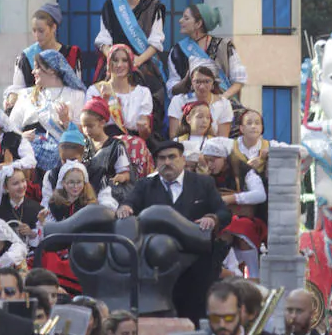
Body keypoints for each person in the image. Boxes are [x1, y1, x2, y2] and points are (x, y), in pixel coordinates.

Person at [116, 141, 231, 323]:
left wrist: (213, 218)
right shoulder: (145, 185)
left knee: (195, 315)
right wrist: (125, 208)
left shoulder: (203, 183)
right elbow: (129, 203)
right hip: (157, 265)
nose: (167, 162)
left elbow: (224, 212)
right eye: (162, 158)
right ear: (155, 163)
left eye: (172, 157)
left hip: (197, 264)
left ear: (183, 160)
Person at [95, 0, 167, 134]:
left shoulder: (154, 7)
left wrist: (137, 61)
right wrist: (112, 58)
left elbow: (156, 42)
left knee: (154, 93)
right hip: (115, 63)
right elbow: (103, 40)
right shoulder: (111, 7)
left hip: (143, 63)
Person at [9, 51, 87, 170]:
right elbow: (9, 130)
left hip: (62, 155)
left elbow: (84, 134)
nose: (32, 72)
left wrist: (66, 121)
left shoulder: (76, 95)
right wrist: (21, 137)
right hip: (28, 154)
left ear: (51, 69)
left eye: (37, 67)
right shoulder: (26, 95)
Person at [167, 3, 248, 105]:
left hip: (223, 105)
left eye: (186, 18)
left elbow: (239, 81)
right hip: (191, 109)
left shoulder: (224, 46)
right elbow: (172, 89)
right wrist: (186, 81)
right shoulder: (177, 51)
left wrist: (221, 99)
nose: (180, 21)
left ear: (198, 24)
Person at [38, 162, 98, 296]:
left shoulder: (90, 205)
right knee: (49, 256)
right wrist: (43, 222)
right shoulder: (55, 204)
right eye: (71, 182)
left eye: (79, 182)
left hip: (80, 246)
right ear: (63, 183)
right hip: (59, 245)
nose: (75, 186)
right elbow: (51, 226)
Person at [86, 44, 153, 141]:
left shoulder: (143, 93)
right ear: (109, 63)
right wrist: (104, 101)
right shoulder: (95, 90)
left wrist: (144, 129)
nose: (119, 65)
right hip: (104, 143)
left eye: (124, 60)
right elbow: (90, 126)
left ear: (130, 64)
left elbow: (145, 136)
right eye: (115, 60)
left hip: (133, 145)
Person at [13, 3, 84, 91]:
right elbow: (17, 89)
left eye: (41, 31)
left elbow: (77, 87)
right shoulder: (25, 57)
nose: (37, 35)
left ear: (53, 28)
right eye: (34, 31)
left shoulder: (71, 54)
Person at [79, 96, 136, 202]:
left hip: (109, 195)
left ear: (102, 123)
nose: (86, 130)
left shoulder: (116, 146)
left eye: (90, 126)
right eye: (83, 126)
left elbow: (126, 174)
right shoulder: (83, 145)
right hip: (85, 194)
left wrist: (119, 178)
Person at [167, 65, 233, 139]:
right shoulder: (178, 100)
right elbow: (173, 135)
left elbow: (223, 139)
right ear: (191, 83)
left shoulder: (224, 104)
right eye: (197, 82)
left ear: (213, 83)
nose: (202, 86)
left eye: (207, 81)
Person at [0, 167, 41, 239]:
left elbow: (41, 237)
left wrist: (31, 233)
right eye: (16, 183)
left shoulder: (36, 208)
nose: (21, 186)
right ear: (6, 187)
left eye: (23, 181)